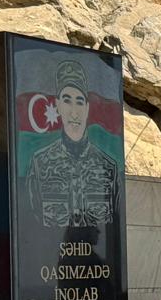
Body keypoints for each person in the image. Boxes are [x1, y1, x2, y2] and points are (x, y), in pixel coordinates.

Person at [26, 59, 120, 228]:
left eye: (79, 102)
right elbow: (32, 224)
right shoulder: (40, 164)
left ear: (87, 108)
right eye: (67, 101)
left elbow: (115, 226)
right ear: (58, 105)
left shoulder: (109, 168)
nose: (74, 113)